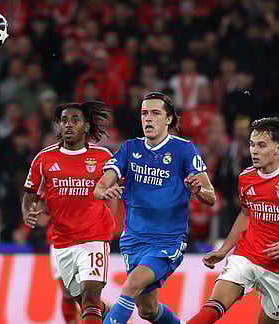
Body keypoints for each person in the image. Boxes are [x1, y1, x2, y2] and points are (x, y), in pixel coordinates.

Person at [186, 117, 279, 324]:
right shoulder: (246, 177)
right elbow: (245, 214)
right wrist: (224, 250)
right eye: (251, 144)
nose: (254, 151)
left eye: (261, 145)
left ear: (278, 148)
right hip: (247, 256)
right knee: (215, 305)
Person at [94, 91, 216, 324]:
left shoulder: (184, 150)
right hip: (133, 240)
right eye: (144, 113)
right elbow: (100, 186)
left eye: (155, 113)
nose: (148, 119)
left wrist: (198, 189)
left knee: (130, 286)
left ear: (169, 119)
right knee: (147, 310)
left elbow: (211, 197)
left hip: (166, 241)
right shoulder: (130, 148)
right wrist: (104, 191)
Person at [22, 101, 115, 324]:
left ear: (86, 126)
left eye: (75, 120)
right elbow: (30, 195)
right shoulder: (44, 159)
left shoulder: (103, 157)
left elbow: (123, 184)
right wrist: (28, 211)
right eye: (64, 121)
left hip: (95, 236)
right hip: (62, 242)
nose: (68, 125)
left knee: (91, 297)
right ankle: (116, 315)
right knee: (84, 302)